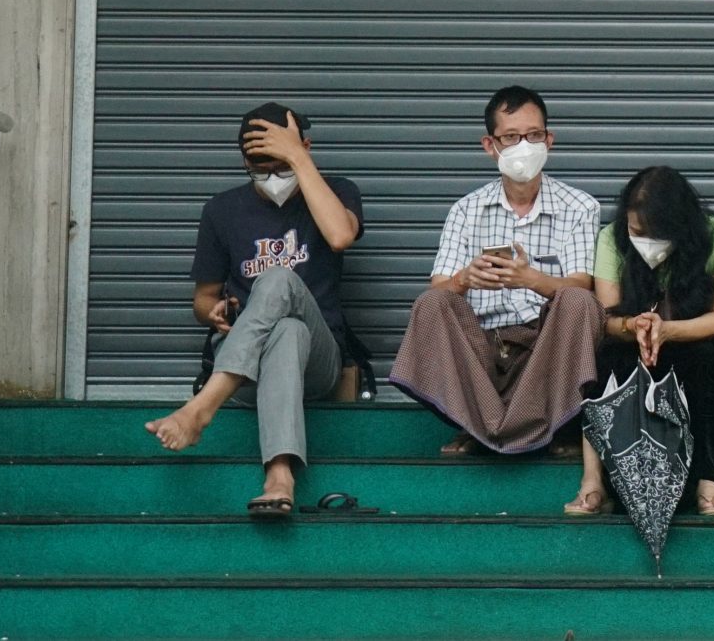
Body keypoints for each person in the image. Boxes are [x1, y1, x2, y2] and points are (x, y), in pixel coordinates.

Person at [145, 103, 364, 515]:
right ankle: (279, 476)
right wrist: (211, 311)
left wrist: (298, 159)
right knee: (286, 332)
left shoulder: (338, 190)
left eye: (279, 165)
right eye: (258, 168)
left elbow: (339, 236)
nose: (272, 178)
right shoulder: (222, 210)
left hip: (319, 364)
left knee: (280, 280)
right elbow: (203, 297)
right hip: (248, 369)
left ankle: (200, 409)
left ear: (305, 149)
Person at [390, 85, 604, 455]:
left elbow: (582, 283)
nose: (525, 146)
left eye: (534, 135)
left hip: (543, 349)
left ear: (549, 140)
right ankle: (480, 424)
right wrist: (464, 279)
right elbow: (440, 286)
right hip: (483, 349)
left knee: (578, 302)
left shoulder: (580, 206)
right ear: (490, 146)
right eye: (511, 137)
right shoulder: (465, 210)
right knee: (433, 304)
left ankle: (547, 427)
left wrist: (530, 279)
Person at [566, 166, 714, 519]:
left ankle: (710, 482)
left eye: (656, 233)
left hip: (696, 339)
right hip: (633, 341)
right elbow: (606, 317)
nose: (645, 241)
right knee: (600, 360)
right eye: (638, 232)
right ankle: (593, 482)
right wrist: (634, 325)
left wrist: (667, 331)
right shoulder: (612, 238)